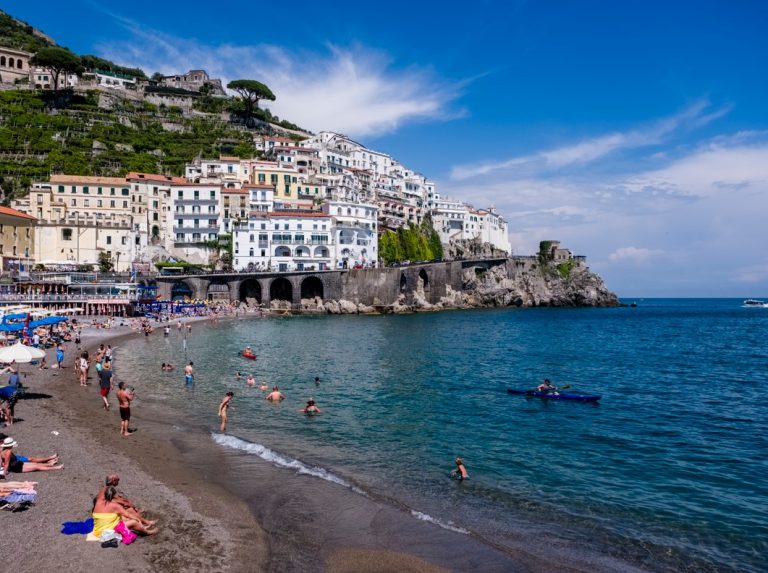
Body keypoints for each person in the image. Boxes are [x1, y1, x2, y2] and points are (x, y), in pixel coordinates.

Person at [93, 485, 157, 537]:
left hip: (98, 530)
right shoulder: (114, 506)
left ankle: (143, 525)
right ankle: (147, 532)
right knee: (133, 521)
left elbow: (102, 491)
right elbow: (128, 515)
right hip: (107, 532)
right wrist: (138, 520)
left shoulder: (98, 502)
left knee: (124, 517)